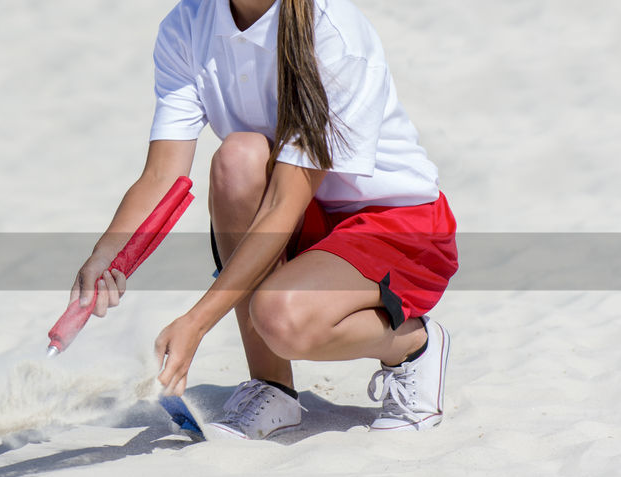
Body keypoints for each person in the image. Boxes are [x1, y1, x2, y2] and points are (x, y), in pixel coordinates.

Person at [69, 0, 458, 439]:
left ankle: (412, 345)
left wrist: (195, 322)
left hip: (396, 222)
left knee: (280, 316)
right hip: (305, 215)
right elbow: (162, 175)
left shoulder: (331, 31)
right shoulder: (186, 25)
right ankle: (271, 386)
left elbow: (282, 206)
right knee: (238, 157)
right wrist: (106, 255)